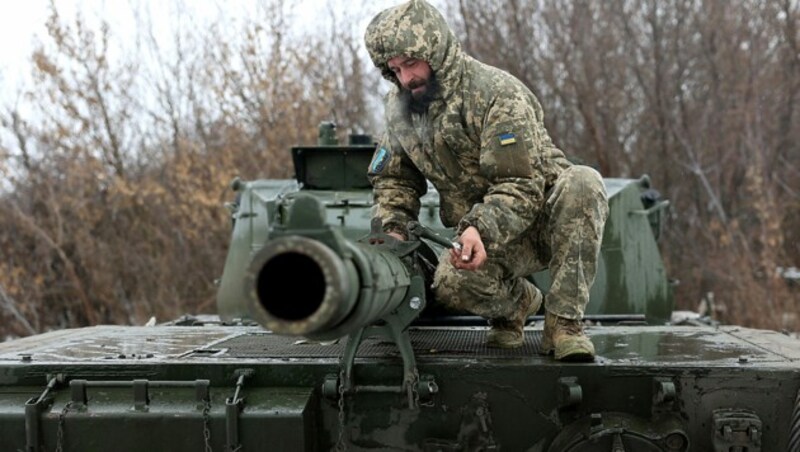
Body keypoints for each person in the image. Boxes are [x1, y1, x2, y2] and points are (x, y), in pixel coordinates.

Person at [364, 0, 609, 361]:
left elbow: (520, 184)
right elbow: (394, 182)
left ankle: (564, 325)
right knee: (448, 283)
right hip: (482, 240)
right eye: (395, 69)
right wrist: (393, 231)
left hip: (545, 222)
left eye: (411, 63)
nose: (406, 78)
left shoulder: (496, 93)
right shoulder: (401, 109)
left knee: (584, 181)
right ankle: (518, 307)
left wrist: (479, 227)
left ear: (437, 50)